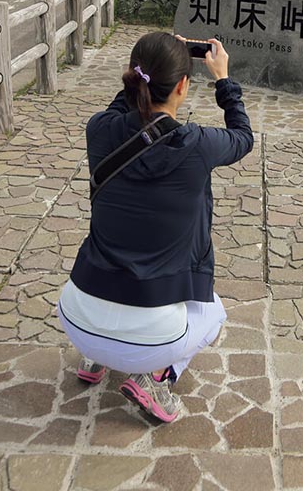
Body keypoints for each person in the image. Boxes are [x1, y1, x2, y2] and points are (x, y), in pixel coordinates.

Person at [57, 31, 253, 423]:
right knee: (212, 316)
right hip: (151, 336)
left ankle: (96, 358)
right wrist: (223, 80)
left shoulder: (99, 130)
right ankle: (156, 377)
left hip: (77, 317)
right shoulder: (198, 144)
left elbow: (119, 112)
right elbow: (243, 137)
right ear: (183, 86)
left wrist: (149, 64)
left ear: (132, 78)